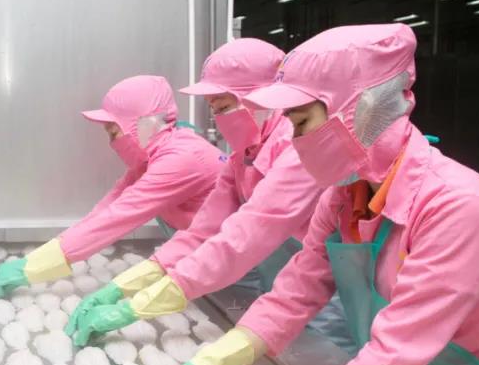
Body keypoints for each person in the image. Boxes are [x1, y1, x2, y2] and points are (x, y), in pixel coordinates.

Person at [124, 24, 479, 365]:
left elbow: (398, 350)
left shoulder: (456, 206)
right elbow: (291, 297)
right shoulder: (343, 197)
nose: (294, 142)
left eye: (301, 123)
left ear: (360, 111)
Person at [67, 39, 327, 346]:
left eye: (224, 106)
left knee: (319, 349)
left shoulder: (298, 149)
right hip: (276, 279)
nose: (220, 118)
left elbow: (248, 232)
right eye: (214, 109)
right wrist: (121, 288)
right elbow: (201, 232)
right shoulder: (242, 156)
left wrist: (134, 308)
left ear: (262, 97)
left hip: (321, 291)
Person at [0, 75, 224, 298]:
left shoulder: (181, 159)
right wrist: (35, 260)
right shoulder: (152, 158)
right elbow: (108, 208)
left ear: (144, 124)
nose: (112, 142)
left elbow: (116, 219)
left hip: (230, 264)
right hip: (203, 255)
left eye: (114, 132)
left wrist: (28, 270)